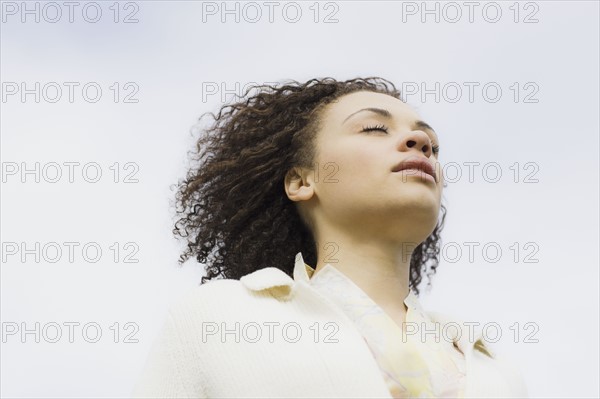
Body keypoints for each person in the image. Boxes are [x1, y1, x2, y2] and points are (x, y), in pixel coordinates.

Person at [131, 77, 528, 398]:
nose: (421, 144)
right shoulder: (220, 317)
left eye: (433, 145)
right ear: (302, 181)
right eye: (374, 128)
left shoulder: (489, 365)